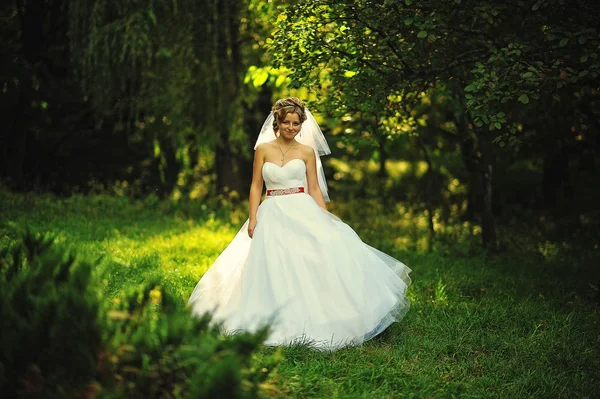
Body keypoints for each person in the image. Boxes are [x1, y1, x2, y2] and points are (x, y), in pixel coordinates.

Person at [188, 97, 411, 350]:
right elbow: (255, 186)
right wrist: (253, 218)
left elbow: (314, 188)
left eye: (296, 123)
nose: (291, 128)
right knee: (272, 262)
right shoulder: (263, 149)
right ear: (278, 123)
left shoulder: (307, 152)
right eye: (287, 123)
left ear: (301, 125)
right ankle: (272, 315)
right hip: (271, 210)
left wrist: (325, 217)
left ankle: (325, 315)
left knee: (312, 258)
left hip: (302, 208)